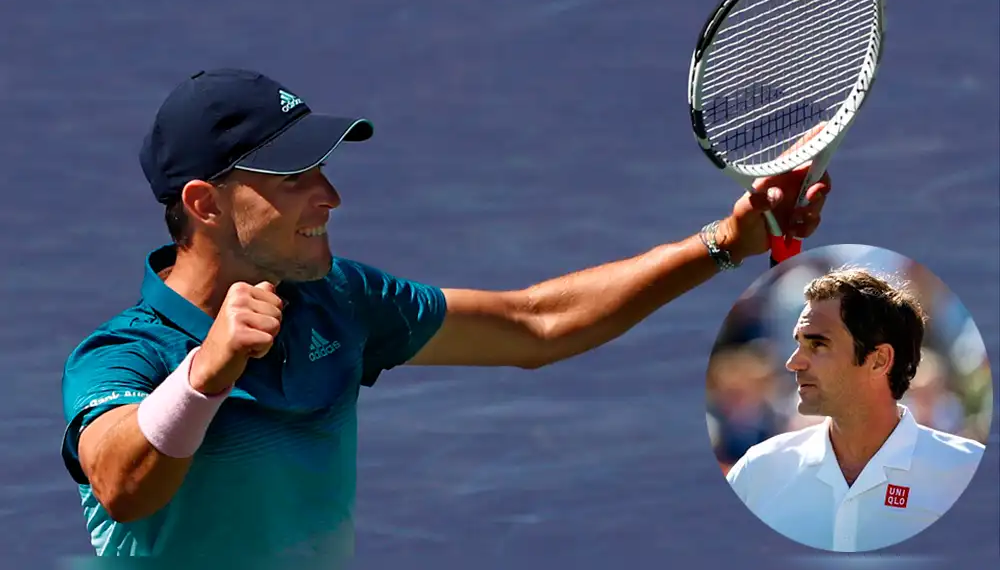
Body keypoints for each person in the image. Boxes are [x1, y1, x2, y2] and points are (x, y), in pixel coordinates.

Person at [60, 68, 829, 560]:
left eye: (323, 169)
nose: (330, 197)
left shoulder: (340, 301)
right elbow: (125, 485)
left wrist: (724, 242)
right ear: (205, 204)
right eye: (295, 176)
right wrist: (205, 374)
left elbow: (534, 325)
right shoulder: (123, 356)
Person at [725, 267, 986, 553]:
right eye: (798, 344)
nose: (793, 362)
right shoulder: (757, 471)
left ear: (879, 360)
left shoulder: (966, 470)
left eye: (818, 345)